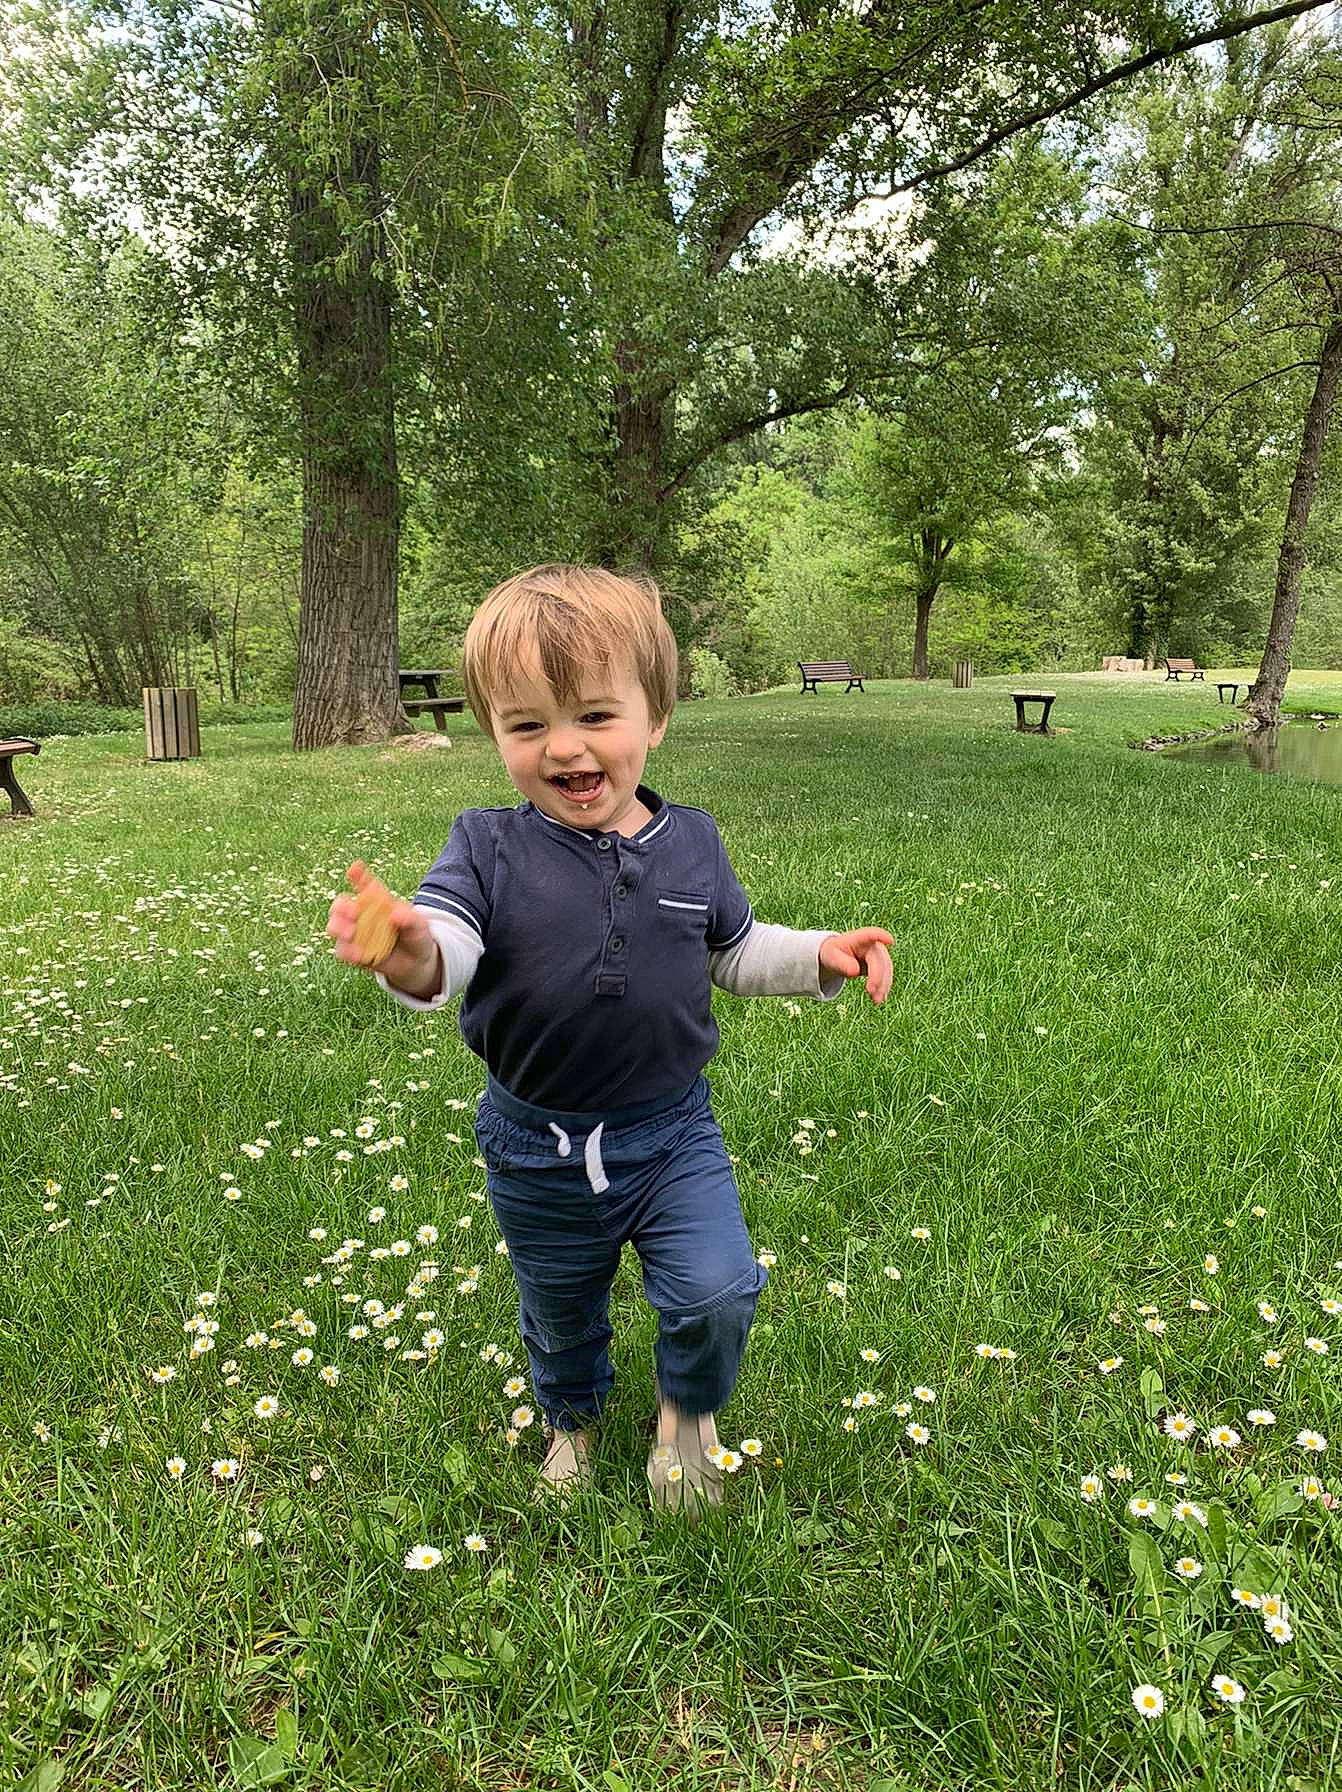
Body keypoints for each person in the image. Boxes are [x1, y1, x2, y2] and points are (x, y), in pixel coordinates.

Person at [327, 565, 892, 1516]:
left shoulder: (693, 843)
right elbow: (450, 947)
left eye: (595, 715)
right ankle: (572, 1419)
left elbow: (733, 947)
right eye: (527, 724)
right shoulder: (486, 845)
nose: (565, 748)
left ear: (656, 716)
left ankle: (686, 1415)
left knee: (717, 1288)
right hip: (534, 1143)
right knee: (560, 1309)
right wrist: (411, 951)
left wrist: (819, 956)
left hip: (673, 1132)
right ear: (493, 734)